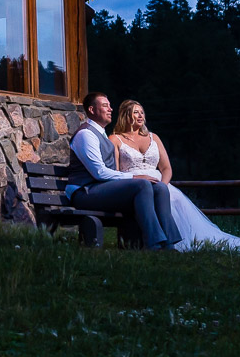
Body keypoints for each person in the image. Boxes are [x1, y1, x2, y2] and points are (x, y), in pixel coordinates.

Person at [109, 100, 240, 252]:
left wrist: (163, 185)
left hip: (160, 183)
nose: (140, 115)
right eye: (135, 112)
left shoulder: (154, 138)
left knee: (173, 201)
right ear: (126, 115)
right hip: (135, 184)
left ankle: (172, 243)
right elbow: (114, 170)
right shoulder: (115, 139)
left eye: (142, 112)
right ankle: (156, 244)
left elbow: (166, 168)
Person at [64, 92, 182, 249]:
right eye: (105, 105)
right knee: (142, 185)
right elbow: (99, 172)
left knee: (160, 187)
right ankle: (154, 243)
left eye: (110, 105)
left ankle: (169, 244)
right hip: (84, 192)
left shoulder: (101, 134)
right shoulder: (85, 134)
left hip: (100, 189)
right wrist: (135, 176)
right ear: (92, 110)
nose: (110, 109)